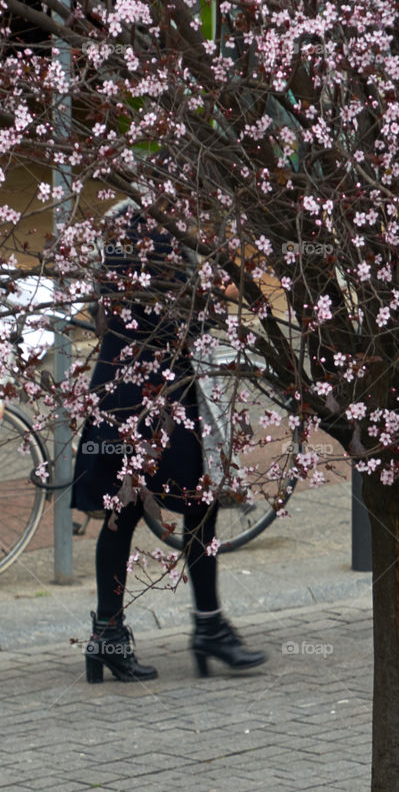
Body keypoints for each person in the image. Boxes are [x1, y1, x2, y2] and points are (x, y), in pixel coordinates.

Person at [72, 200, 267, 682]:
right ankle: (205, 628)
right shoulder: (154, 231)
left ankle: (109, 635)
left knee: (126, 512)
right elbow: (184, 316)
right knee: (198, 502)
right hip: (153, 395)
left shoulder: (120, 225)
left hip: (123, 390)